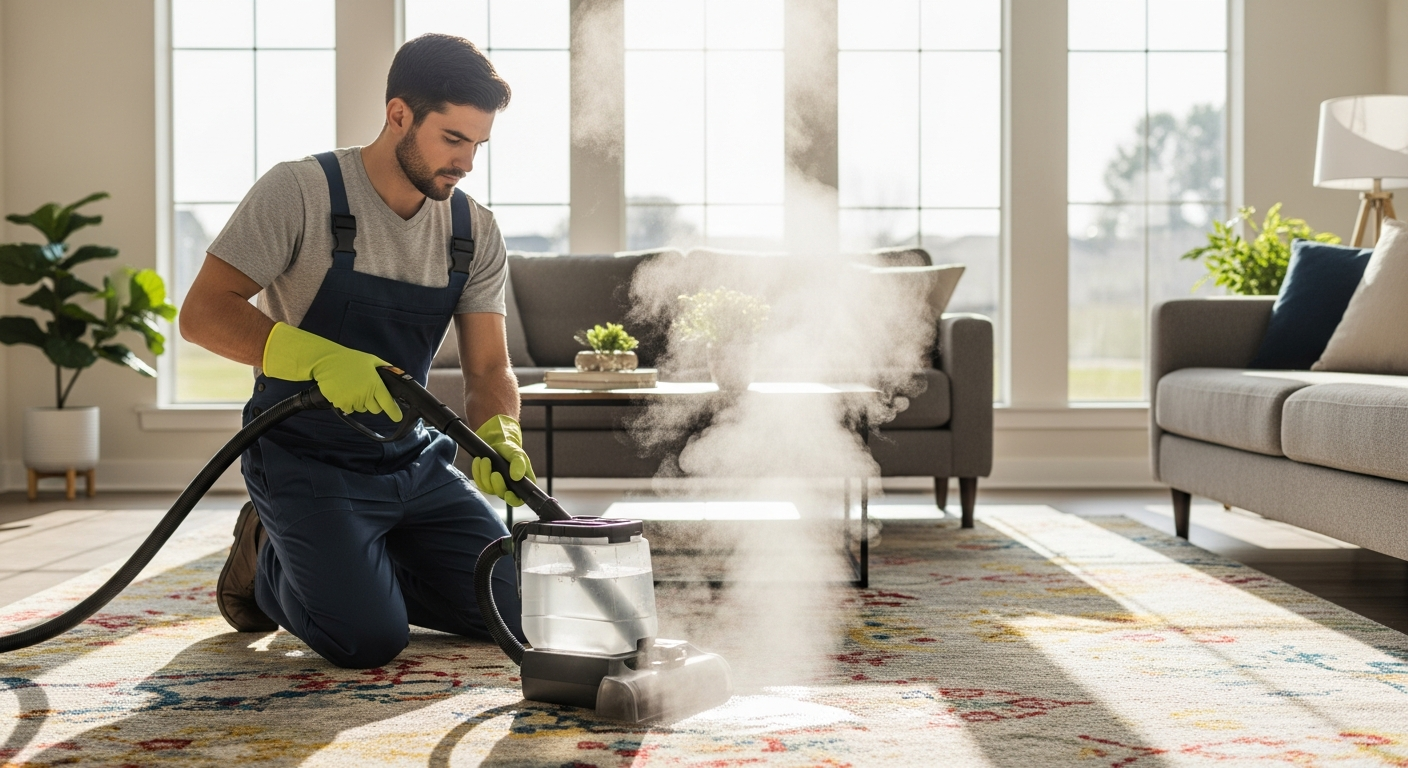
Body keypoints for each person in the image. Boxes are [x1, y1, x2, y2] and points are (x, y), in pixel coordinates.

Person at [180, 33, 534, 669]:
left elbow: (487, 368)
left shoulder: (473, 230)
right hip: (306, 457)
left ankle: (353, 560)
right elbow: (202, 314)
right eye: (453, 139)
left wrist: (500, 429)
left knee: (514, 610)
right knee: (367, 638)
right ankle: (267, 556)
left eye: (477, 145)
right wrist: (319, 359)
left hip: (412, 458)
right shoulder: (301, 192)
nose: (466, 163)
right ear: (399, 114)